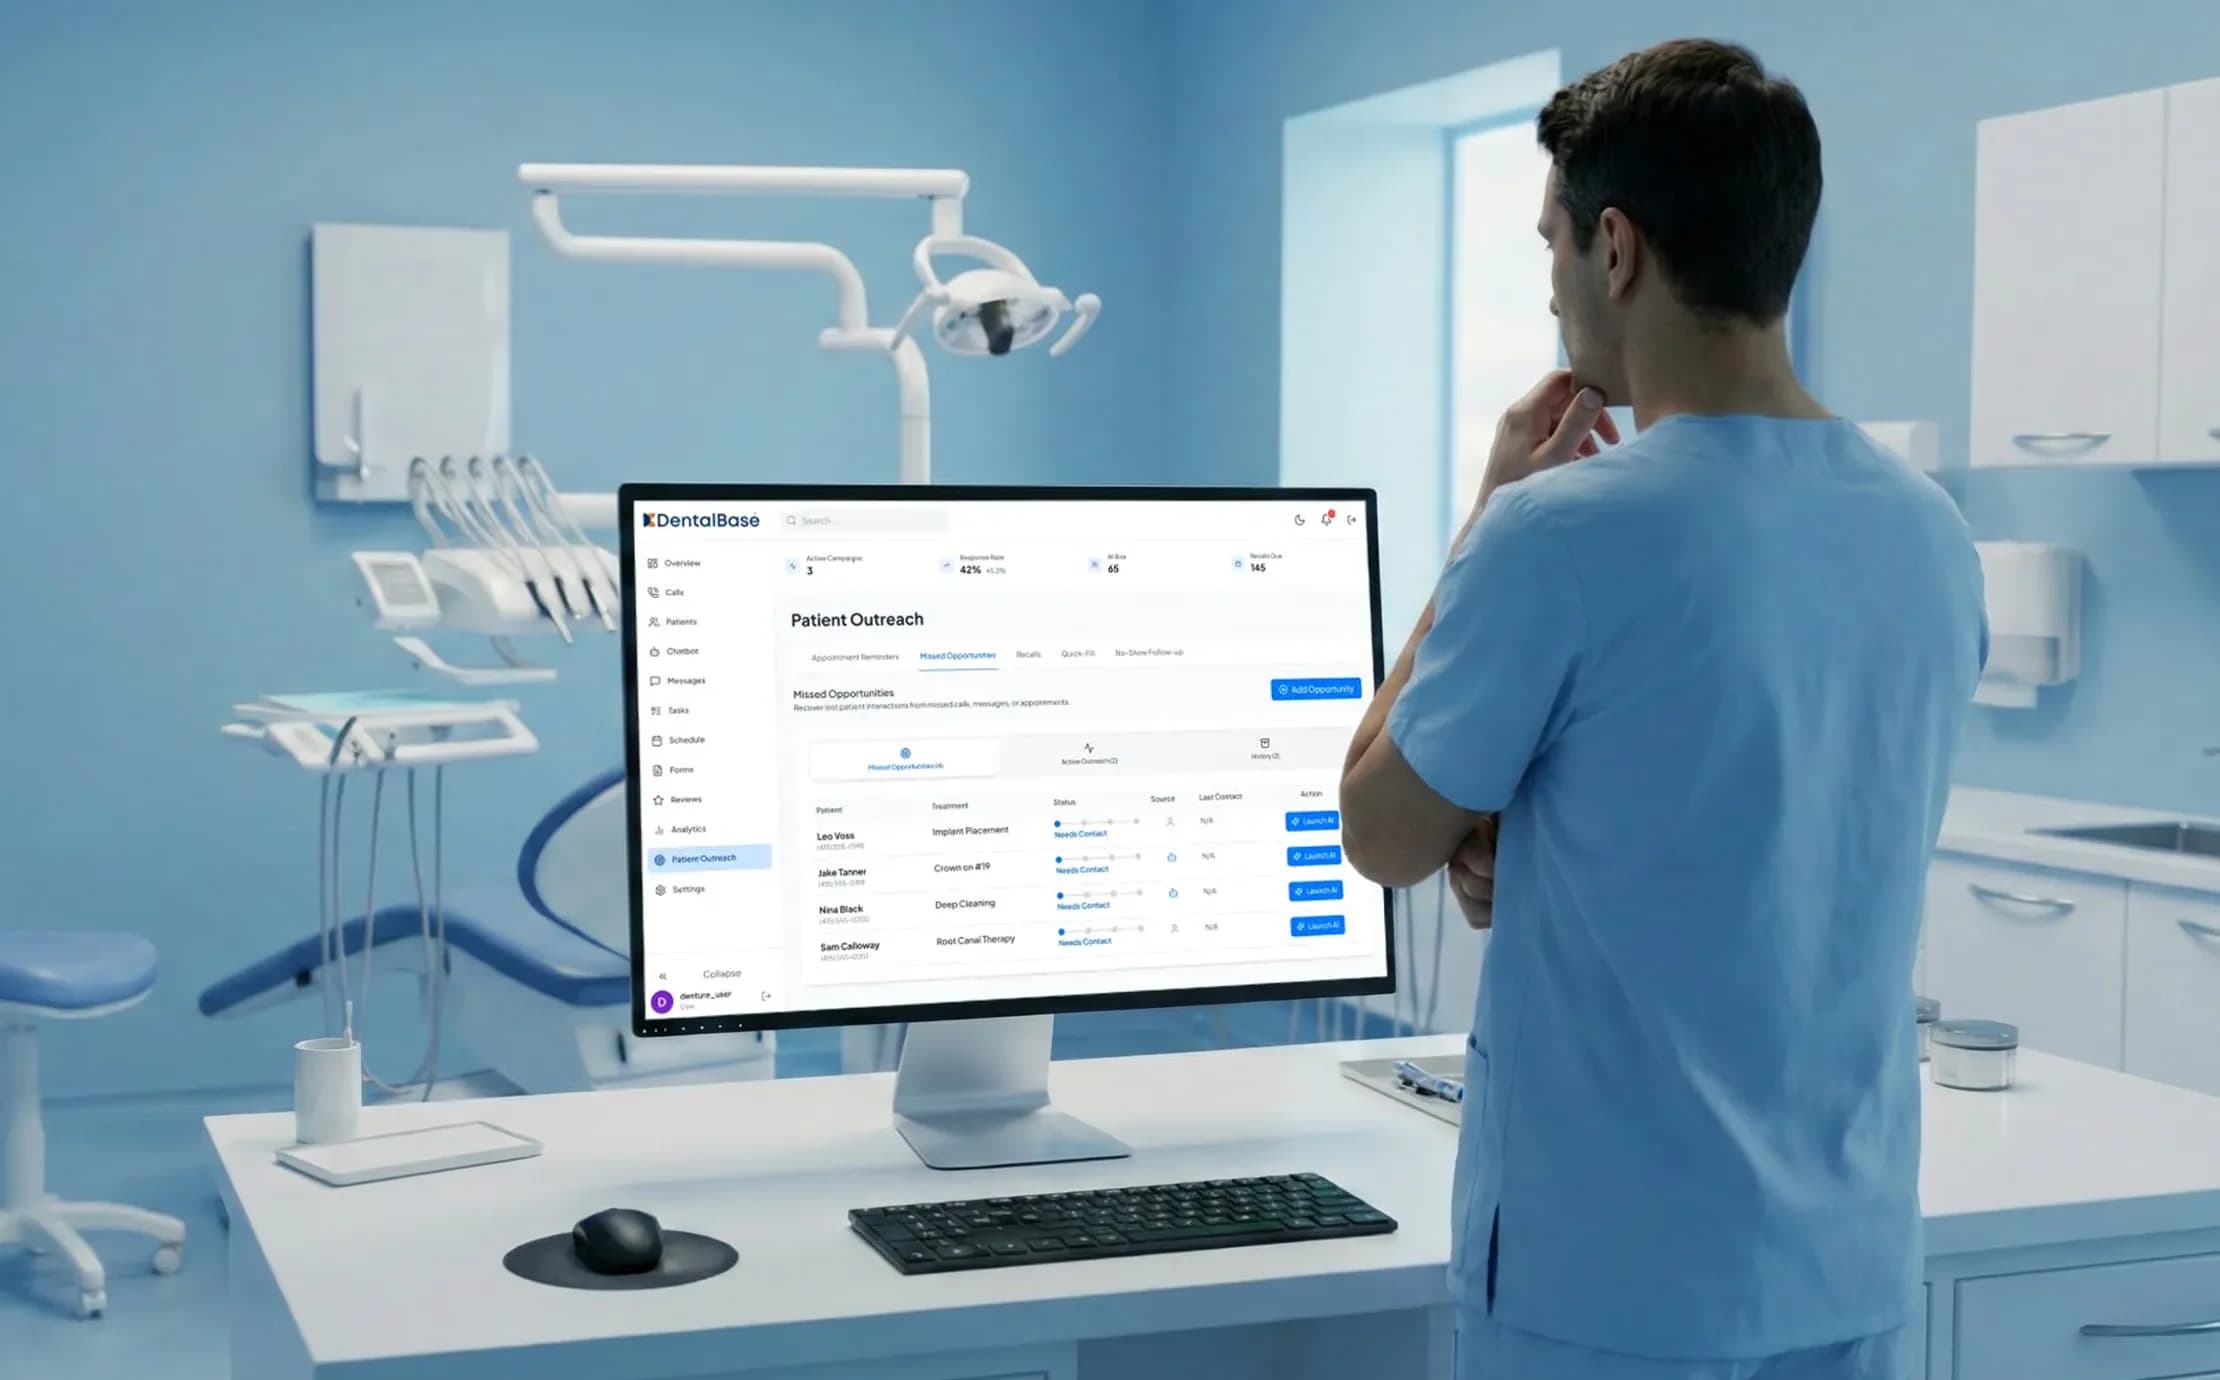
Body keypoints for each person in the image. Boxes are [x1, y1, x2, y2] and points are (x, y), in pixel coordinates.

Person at [1339, 39, 1986, 1380]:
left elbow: (1382, 831)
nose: (1553, 286)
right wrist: (1539, 844)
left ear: (1616, 249)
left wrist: (1486, 512)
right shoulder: (1931, 535)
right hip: (1846, 1272)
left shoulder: (1558, 533)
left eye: (1552, 244)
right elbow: (1749, 823)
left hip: (1614, 1286)